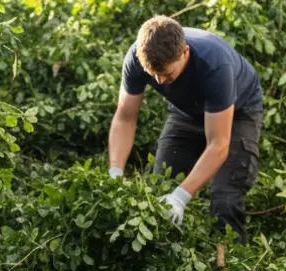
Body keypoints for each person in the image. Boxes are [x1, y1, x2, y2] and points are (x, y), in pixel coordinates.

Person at [107, 15, 264, 243]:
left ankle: (231, 268)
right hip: (187, 112)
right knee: (159, 190)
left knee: (224, 199)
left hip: (238, 112)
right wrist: (115, 173)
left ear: (185, 53)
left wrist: (181, 197)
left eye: (168, 75)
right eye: (154, 76)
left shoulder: (215, 65)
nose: (160, 81)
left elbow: (218, 144)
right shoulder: (136, 57)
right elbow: (125, 118)